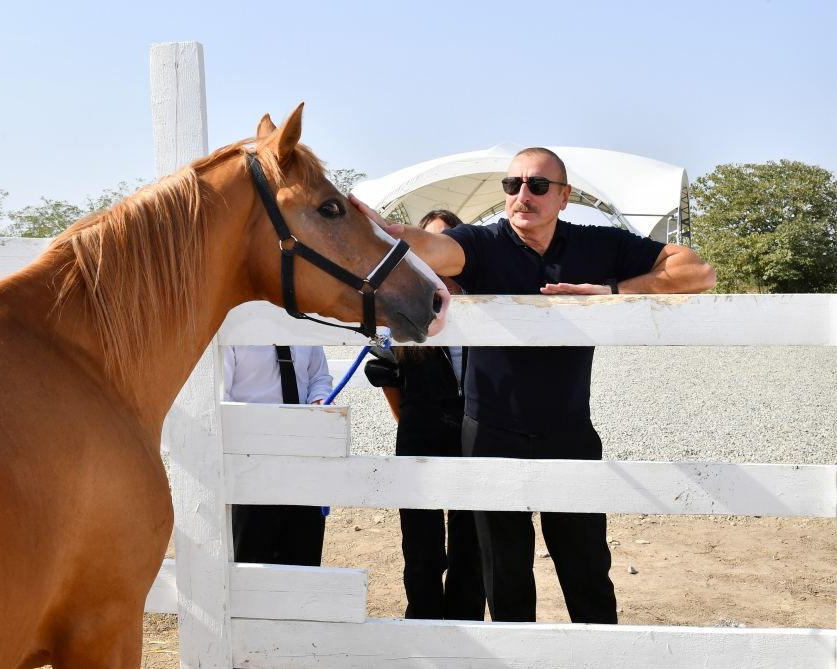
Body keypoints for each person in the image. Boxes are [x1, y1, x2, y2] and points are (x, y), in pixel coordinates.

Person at [350, 147, 716, 623]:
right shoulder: (481, 244)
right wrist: (386, 231)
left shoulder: (598, 245)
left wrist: (612, 294)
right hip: (490, 436)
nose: (523, 194)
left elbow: (697, 272)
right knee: (505, 584)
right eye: (513, 185)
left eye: (538, 186)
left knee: (588, 577)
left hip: (569, 435)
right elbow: (432, 248)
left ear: (564, 197)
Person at [364, 210, 486, 621]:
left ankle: (467, 636)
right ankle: (424, 631)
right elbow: (392, 384)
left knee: (471, 547)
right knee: (421, 548)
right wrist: (411, 426)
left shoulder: (484, 308)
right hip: (421, 437)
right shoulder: (404, 310)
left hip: (473, 439)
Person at [223, 344, 332, 566]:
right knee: (251, 560)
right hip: (252, 465)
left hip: (303, 460)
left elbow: (319, 377)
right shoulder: (234, 329)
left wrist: (319, 400)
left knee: (303, 559)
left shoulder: (305, 321)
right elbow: (221, 395)